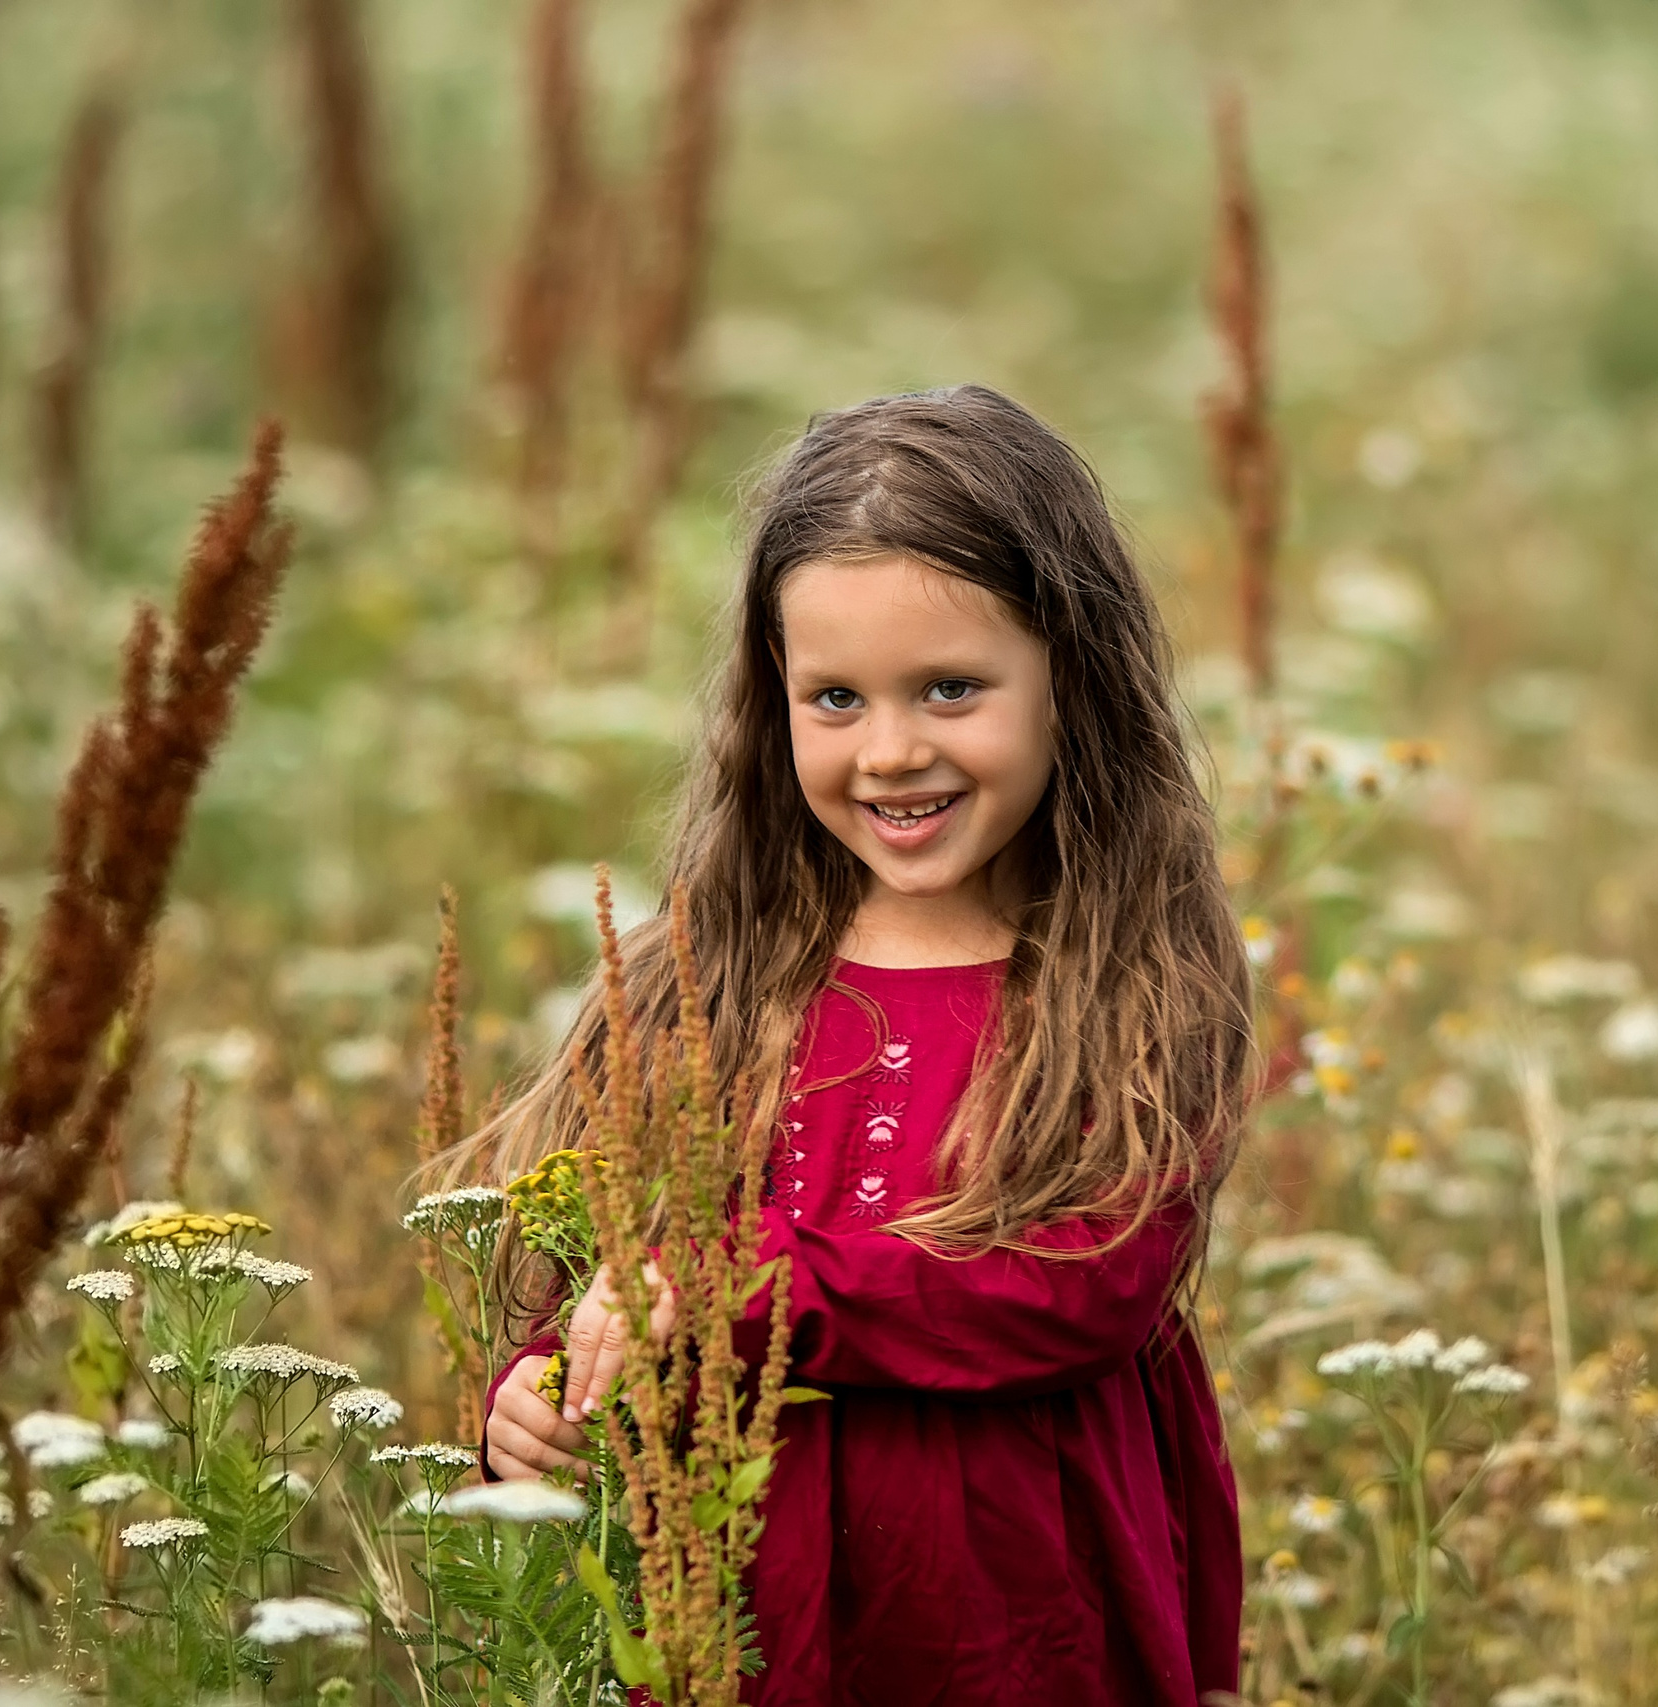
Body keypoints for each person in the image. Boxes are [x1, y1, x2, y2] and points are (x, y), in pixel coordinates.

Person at [452, 385, 1253, 1705]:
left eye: (951, 689)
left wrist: (740, 1283)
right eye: (835, 698)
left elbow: (1089, 1285)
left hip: (1020, 1614)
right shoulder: (702, 975)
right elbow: (593, 1262)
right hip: (736, 1610)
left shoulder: (1130, 973)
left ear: (1073, 677)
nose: (890, 751)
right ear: (770, 702)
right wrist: (534, 1395)